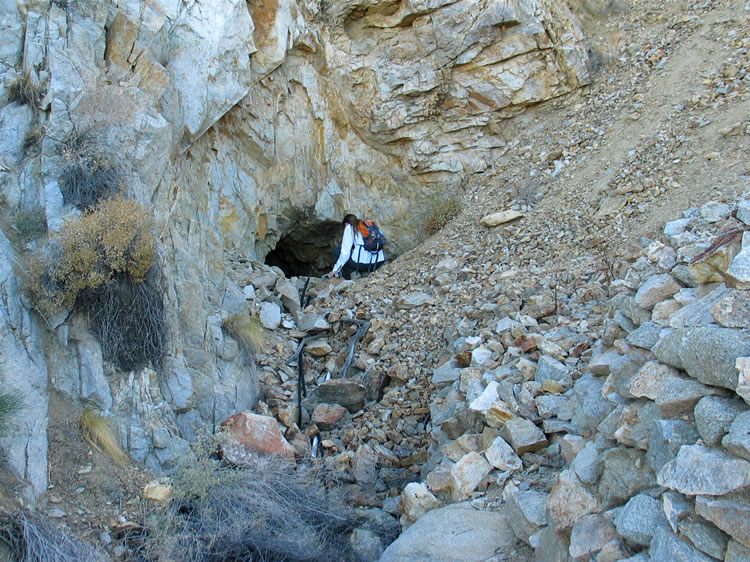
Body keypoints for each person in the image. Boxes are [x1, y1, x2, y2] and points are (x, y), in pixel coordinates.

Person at [324, 213, 385, 279]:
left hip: (362, 264)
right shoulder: (368, 225)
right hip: (378, 262)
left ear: (346, 224)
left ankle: (354, 274)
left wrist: (334, 270)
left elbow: (345, 253)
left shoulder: (349, 227)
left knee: (337, 251)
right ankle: (366, 272)